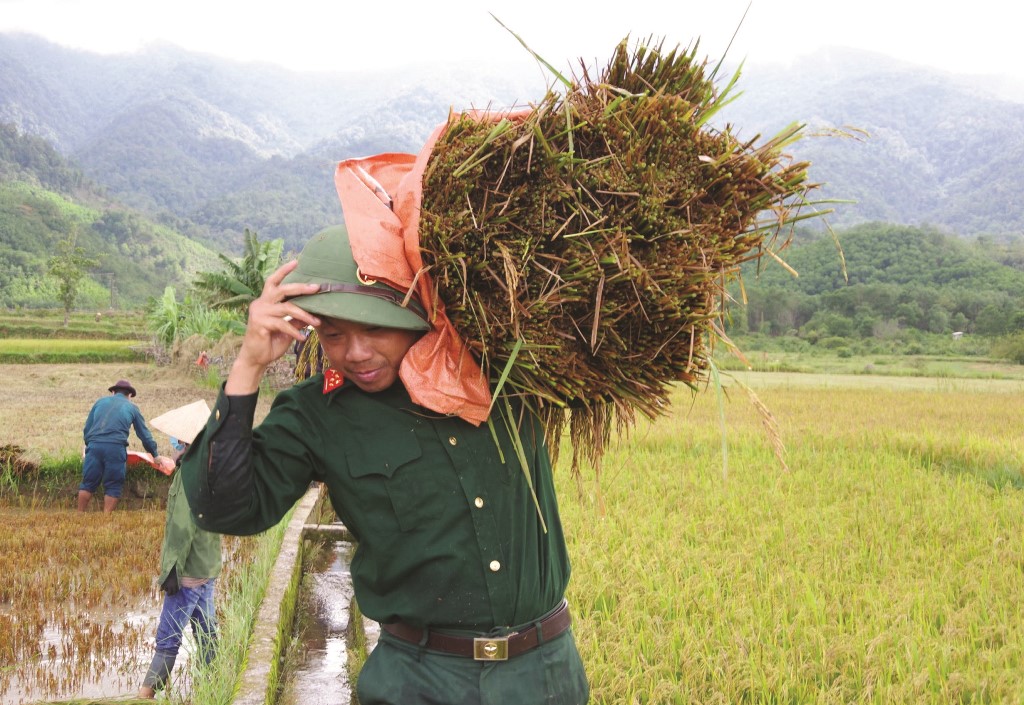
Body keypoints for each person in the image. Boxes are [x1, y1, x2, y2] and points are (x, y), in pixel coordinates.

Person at [179, 223, 590, 704]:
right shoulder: (318, 413)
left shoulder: (510, 368)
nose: (356, 353)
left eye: (376, 327)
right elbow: (225, 508)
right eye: (333, 334)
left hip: (545, 676)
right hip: (418, 682)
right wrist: (248, 365)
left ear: (419, 310)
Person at [139, 400, 221, 700]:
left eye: (178, 440)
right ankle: (213, 687)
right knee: (208, 636)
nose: (174, 443)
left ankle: (144, 697)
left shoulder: (188, 476)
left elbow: (181, 529)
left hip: (188, 573)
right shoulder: (209, 469)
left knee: (167, 640)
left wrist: (171, 571)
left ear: (187, 441)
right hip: (208, 567)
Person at [79, 379, 163, 513]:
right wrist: (155, 454)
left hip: (94, 446)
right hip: (115, 448)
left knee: (88, 483)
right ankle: (106, 518)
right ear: (129, 395)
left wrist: (89, 447)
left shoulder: (100, 402)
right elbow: (144, 435)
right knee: (113, 485)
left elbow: (87, 429)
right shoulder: (132, 408)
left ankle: (79, 514)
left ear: (113, 392)